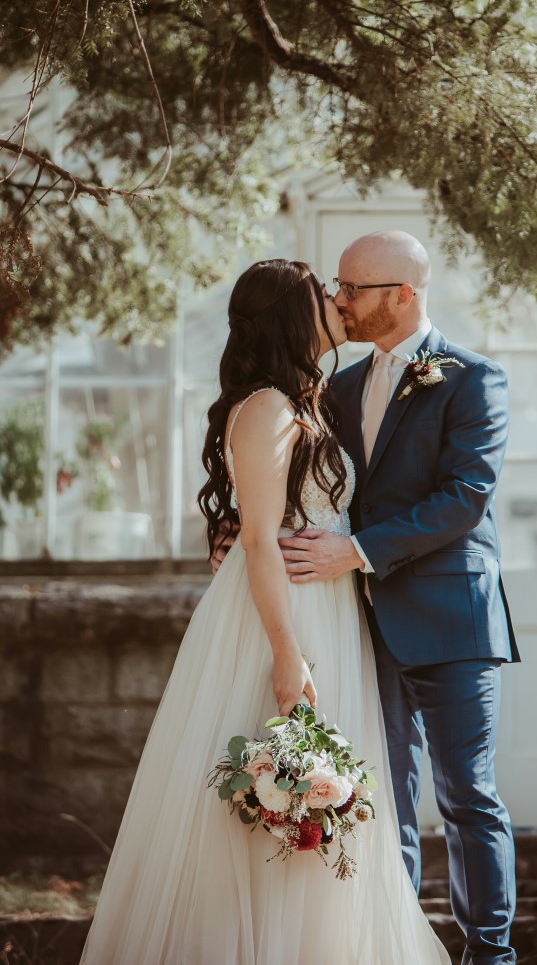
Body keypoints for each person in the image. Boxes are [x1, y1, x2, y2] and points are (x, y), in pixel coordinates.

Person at [80, 258, 449, 965]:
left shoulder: (309, 399)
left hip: (327, 609)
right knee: (267, 779)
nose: (339, 301)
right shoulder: (268, 408)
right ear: (291, 315)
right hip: (282, 618)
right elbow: (256, 537)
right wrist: (286, 651)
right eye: (324, 294)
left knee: (315, 782)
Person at [279, 231, 520, 964]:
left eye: (354, 288)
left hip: (453, 622)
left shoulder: (474, 379)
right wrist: (244, 532)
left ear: (404, 294)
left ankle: (490, 955)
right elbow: (314, 490)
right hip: (364, 623)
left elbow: (464, 498)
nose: (340, 300)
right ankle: (398, 949)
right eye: (339, 286)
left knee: (468, 796)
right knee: (380, 797)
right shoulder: (338, 388)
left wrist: (354, 552)